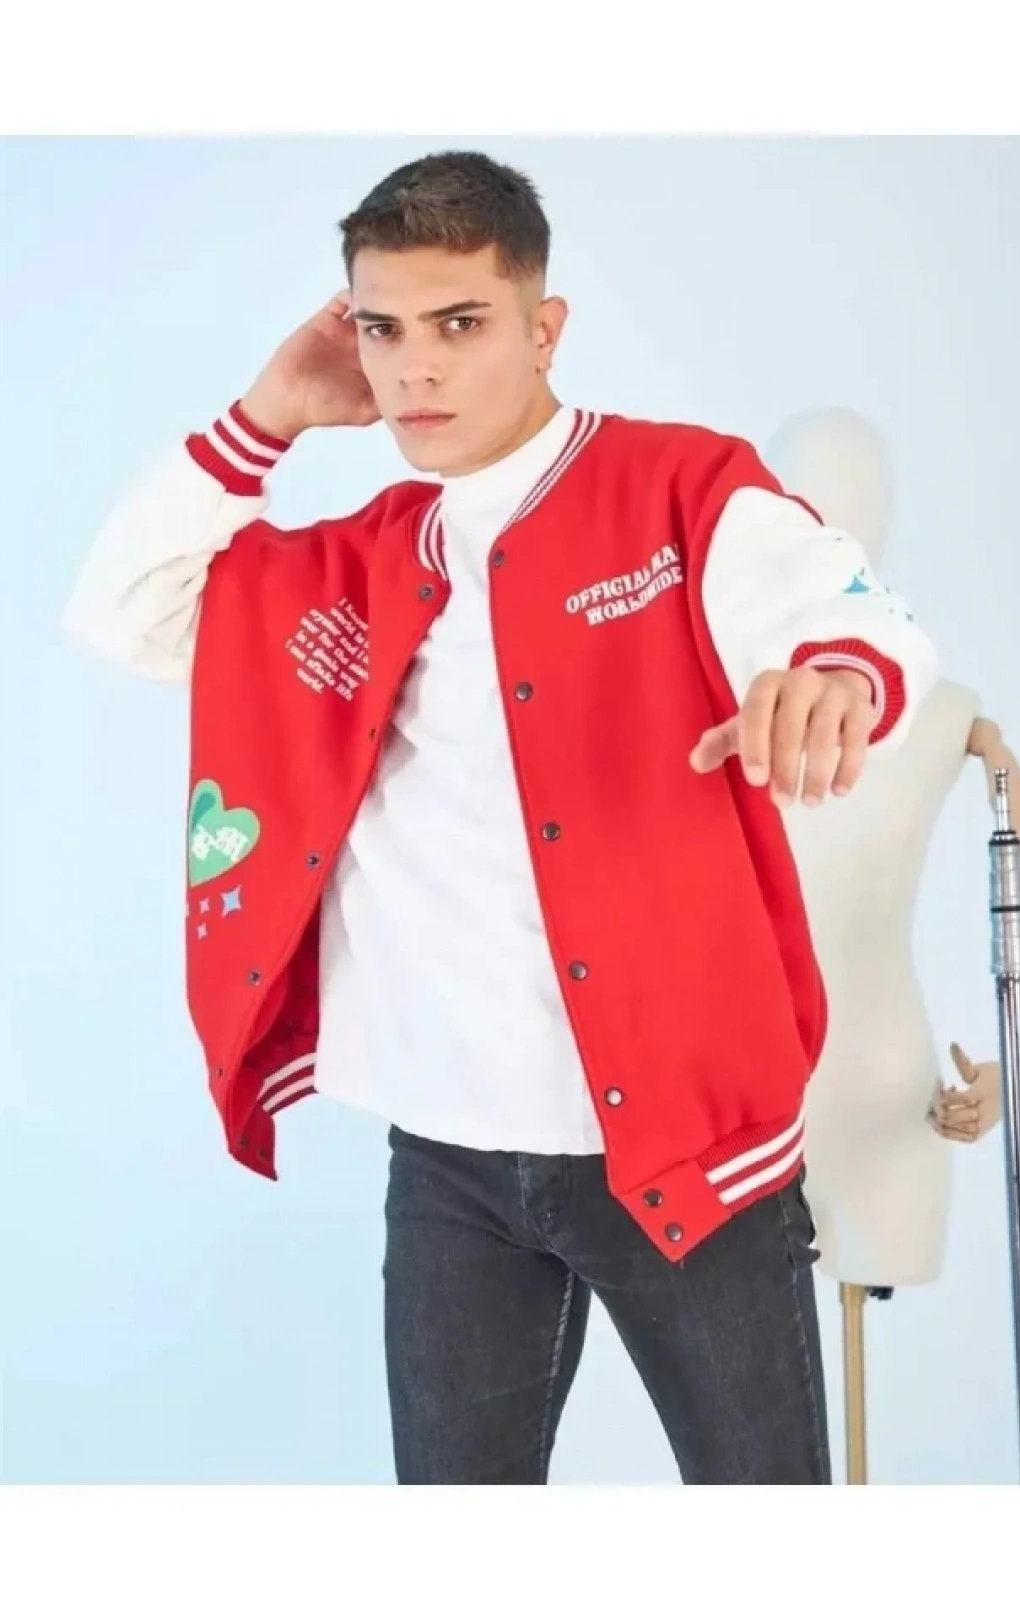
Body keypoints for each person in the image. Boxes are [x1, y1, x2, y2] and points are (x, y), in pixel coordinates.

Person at [62, 149, 939, 1485]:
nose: (415, 368)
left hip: (686, 1145)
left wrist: (838, 677)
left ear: (544, 327)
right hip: (451, 1163)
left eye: (459, 323)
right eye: (382, 329)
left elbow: (848, 609)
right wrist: (267, 415)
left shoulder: (678, 487)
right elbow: (121, 612)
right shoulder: (354, 563)